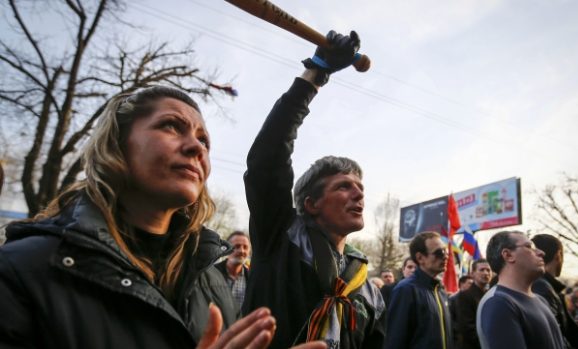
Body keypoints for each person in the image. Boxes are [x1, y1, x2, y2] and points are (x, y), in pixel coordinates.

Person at [0, 86, 325, 349]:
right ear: (117, 145)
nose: (196, 148)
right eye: (171, 126)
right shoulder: (20, 270)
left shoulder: (208, 280)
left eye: (204, 140)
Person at [242, 30, 385, 349]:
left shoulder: (368, 290)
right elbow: (269, 155)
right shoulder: (280, 238)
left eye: (360, 188)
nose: (359, 194)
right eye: (344, 186)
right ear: (311, 204)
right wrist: (316, 73)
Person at [476, 231, 564, 349]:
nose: (541, 253)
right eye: (529, 247)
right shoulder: (498, 303)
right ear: (508, 255)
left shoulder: (540, 300)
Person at [385, 231, 454, 349]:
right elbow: (395, 340)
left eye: (446, 251)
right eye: (439, 252)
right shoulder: (406, 290)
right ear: (420, 258)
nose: (446, 256)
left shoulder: (440, 290)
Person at [531, 234, 578, 348]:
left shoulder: (546, 287)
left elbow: (558, 333)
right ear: (558, 255)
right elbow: (549, 340)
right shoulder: (542, 288)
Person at [456, 259, 491, 349]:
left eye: (488, 270)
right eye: (481, 270)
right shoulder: (465, 296)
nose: (486, 273)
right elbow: (467, 328)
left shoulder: (491, 295)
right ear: (472, 274)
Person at [215, 231, 251, 311]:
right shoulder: (211, 274)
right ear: (227, 249)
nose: (242, 251)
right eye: (237, 246)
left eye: (245, 247)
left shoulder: (253, 279)